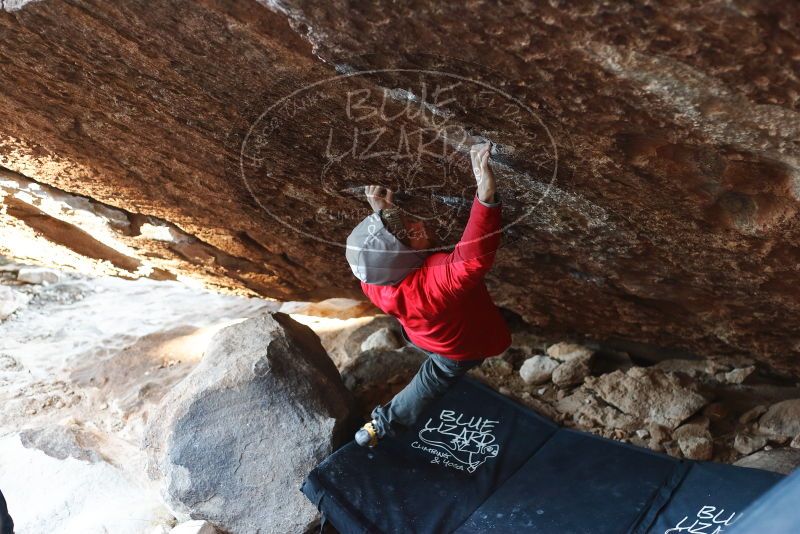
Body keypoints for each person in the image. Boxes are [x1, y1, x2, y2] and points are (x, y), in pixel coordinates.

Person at [345, 142, 512, 447]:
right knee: (434, 378)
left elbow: (376, 257)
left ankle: (377, 428)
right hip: (459, 348)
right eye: (409, 231)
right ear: (405, 258)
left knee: (432, 365)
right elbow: (471, 260)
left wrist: (382, 215)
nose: (417, 223)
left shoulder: (375, 281)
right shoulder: (431, 285)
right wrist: (485, 195)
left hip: (424, 335)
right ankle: (384, 424)